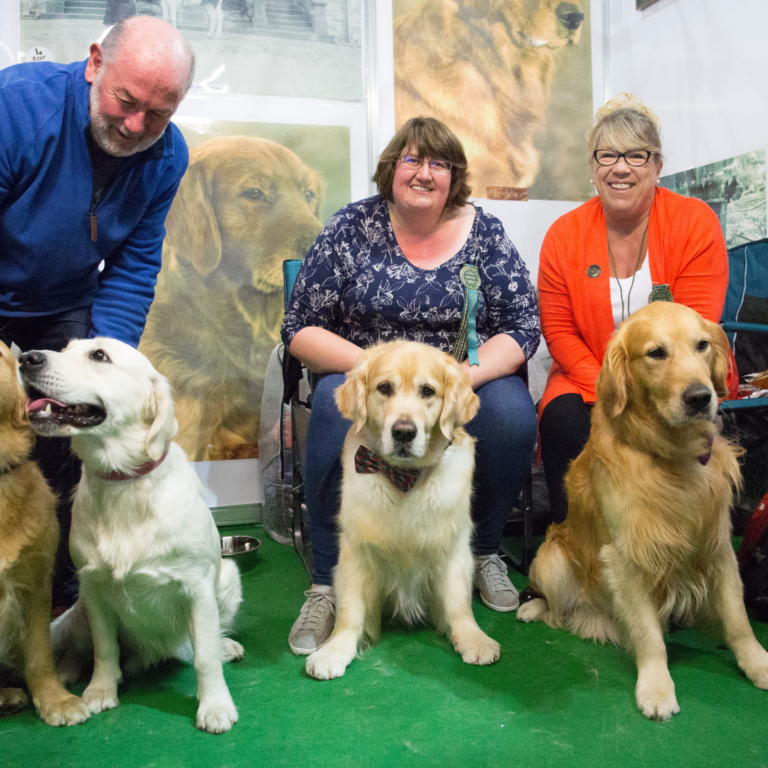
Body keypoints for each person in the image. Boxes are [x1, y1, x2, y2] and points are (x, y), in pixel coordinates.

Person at [281, 117, 541, 655]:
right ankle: (328, 581)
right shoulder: (351, 227)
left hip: (453, 379)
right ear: (391, 168)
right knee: (332, 410)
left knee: (511, 413)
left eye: (439, 163)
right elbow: (298, 326)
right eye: (412, 159)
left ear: (454, 177)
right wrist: (371, 371)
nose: (424, 173)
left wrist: (462, 378)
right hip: (367, 373)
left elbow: (522, 324)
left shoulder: (484, 233)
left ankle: (483, 551)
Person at [0, 16, 195, 606]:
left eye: (157, 114)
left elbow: (135, 267)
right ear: (94, 64)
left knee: (65, 444)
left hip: (66, 306)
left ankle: (57, 603)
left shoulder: (168, 157)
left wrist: (98, 367)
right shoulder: (16, 108)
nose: (136, 126)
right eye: (126, 100)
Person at [538, 93, 734, 525]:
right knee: (562, 420)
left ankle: (678, 547)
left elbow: (698, 327)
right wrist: (612, 390)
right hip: (588, 377)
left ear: (657, 166)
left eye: (636, 155)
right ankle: (580, 546)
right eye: (607, 155)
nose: (620, 167)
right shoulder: (562, 235)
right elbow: (559, 332)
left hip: (678, 377)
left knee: (683, 420)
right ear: (592, 168)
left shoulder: (695, 222)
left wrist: (648, 394)